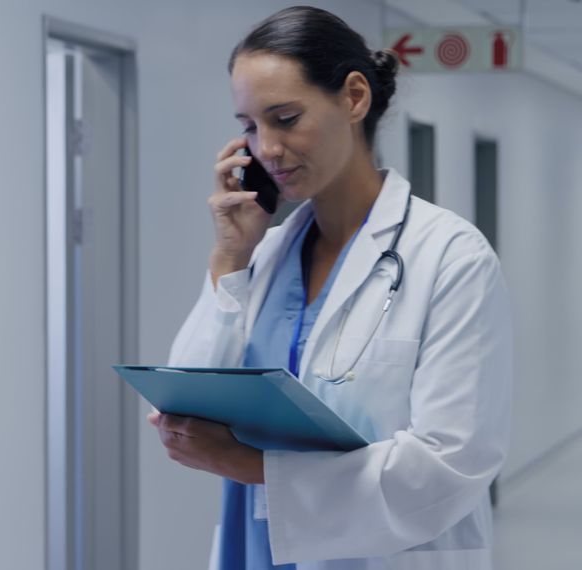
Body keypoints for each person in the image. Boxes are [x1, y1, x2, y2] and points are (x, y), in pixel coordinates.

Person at [147, 6, 512, 569]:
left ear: (354, 97)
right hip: (258, 549)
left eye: (285, 118)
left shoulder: (450, 256)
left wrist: (253, 466)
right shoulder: (262, 256)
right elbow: (186, 397)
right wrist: (229, 256)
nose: (265, 148)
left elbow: (450, 466)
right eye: (249, 125)